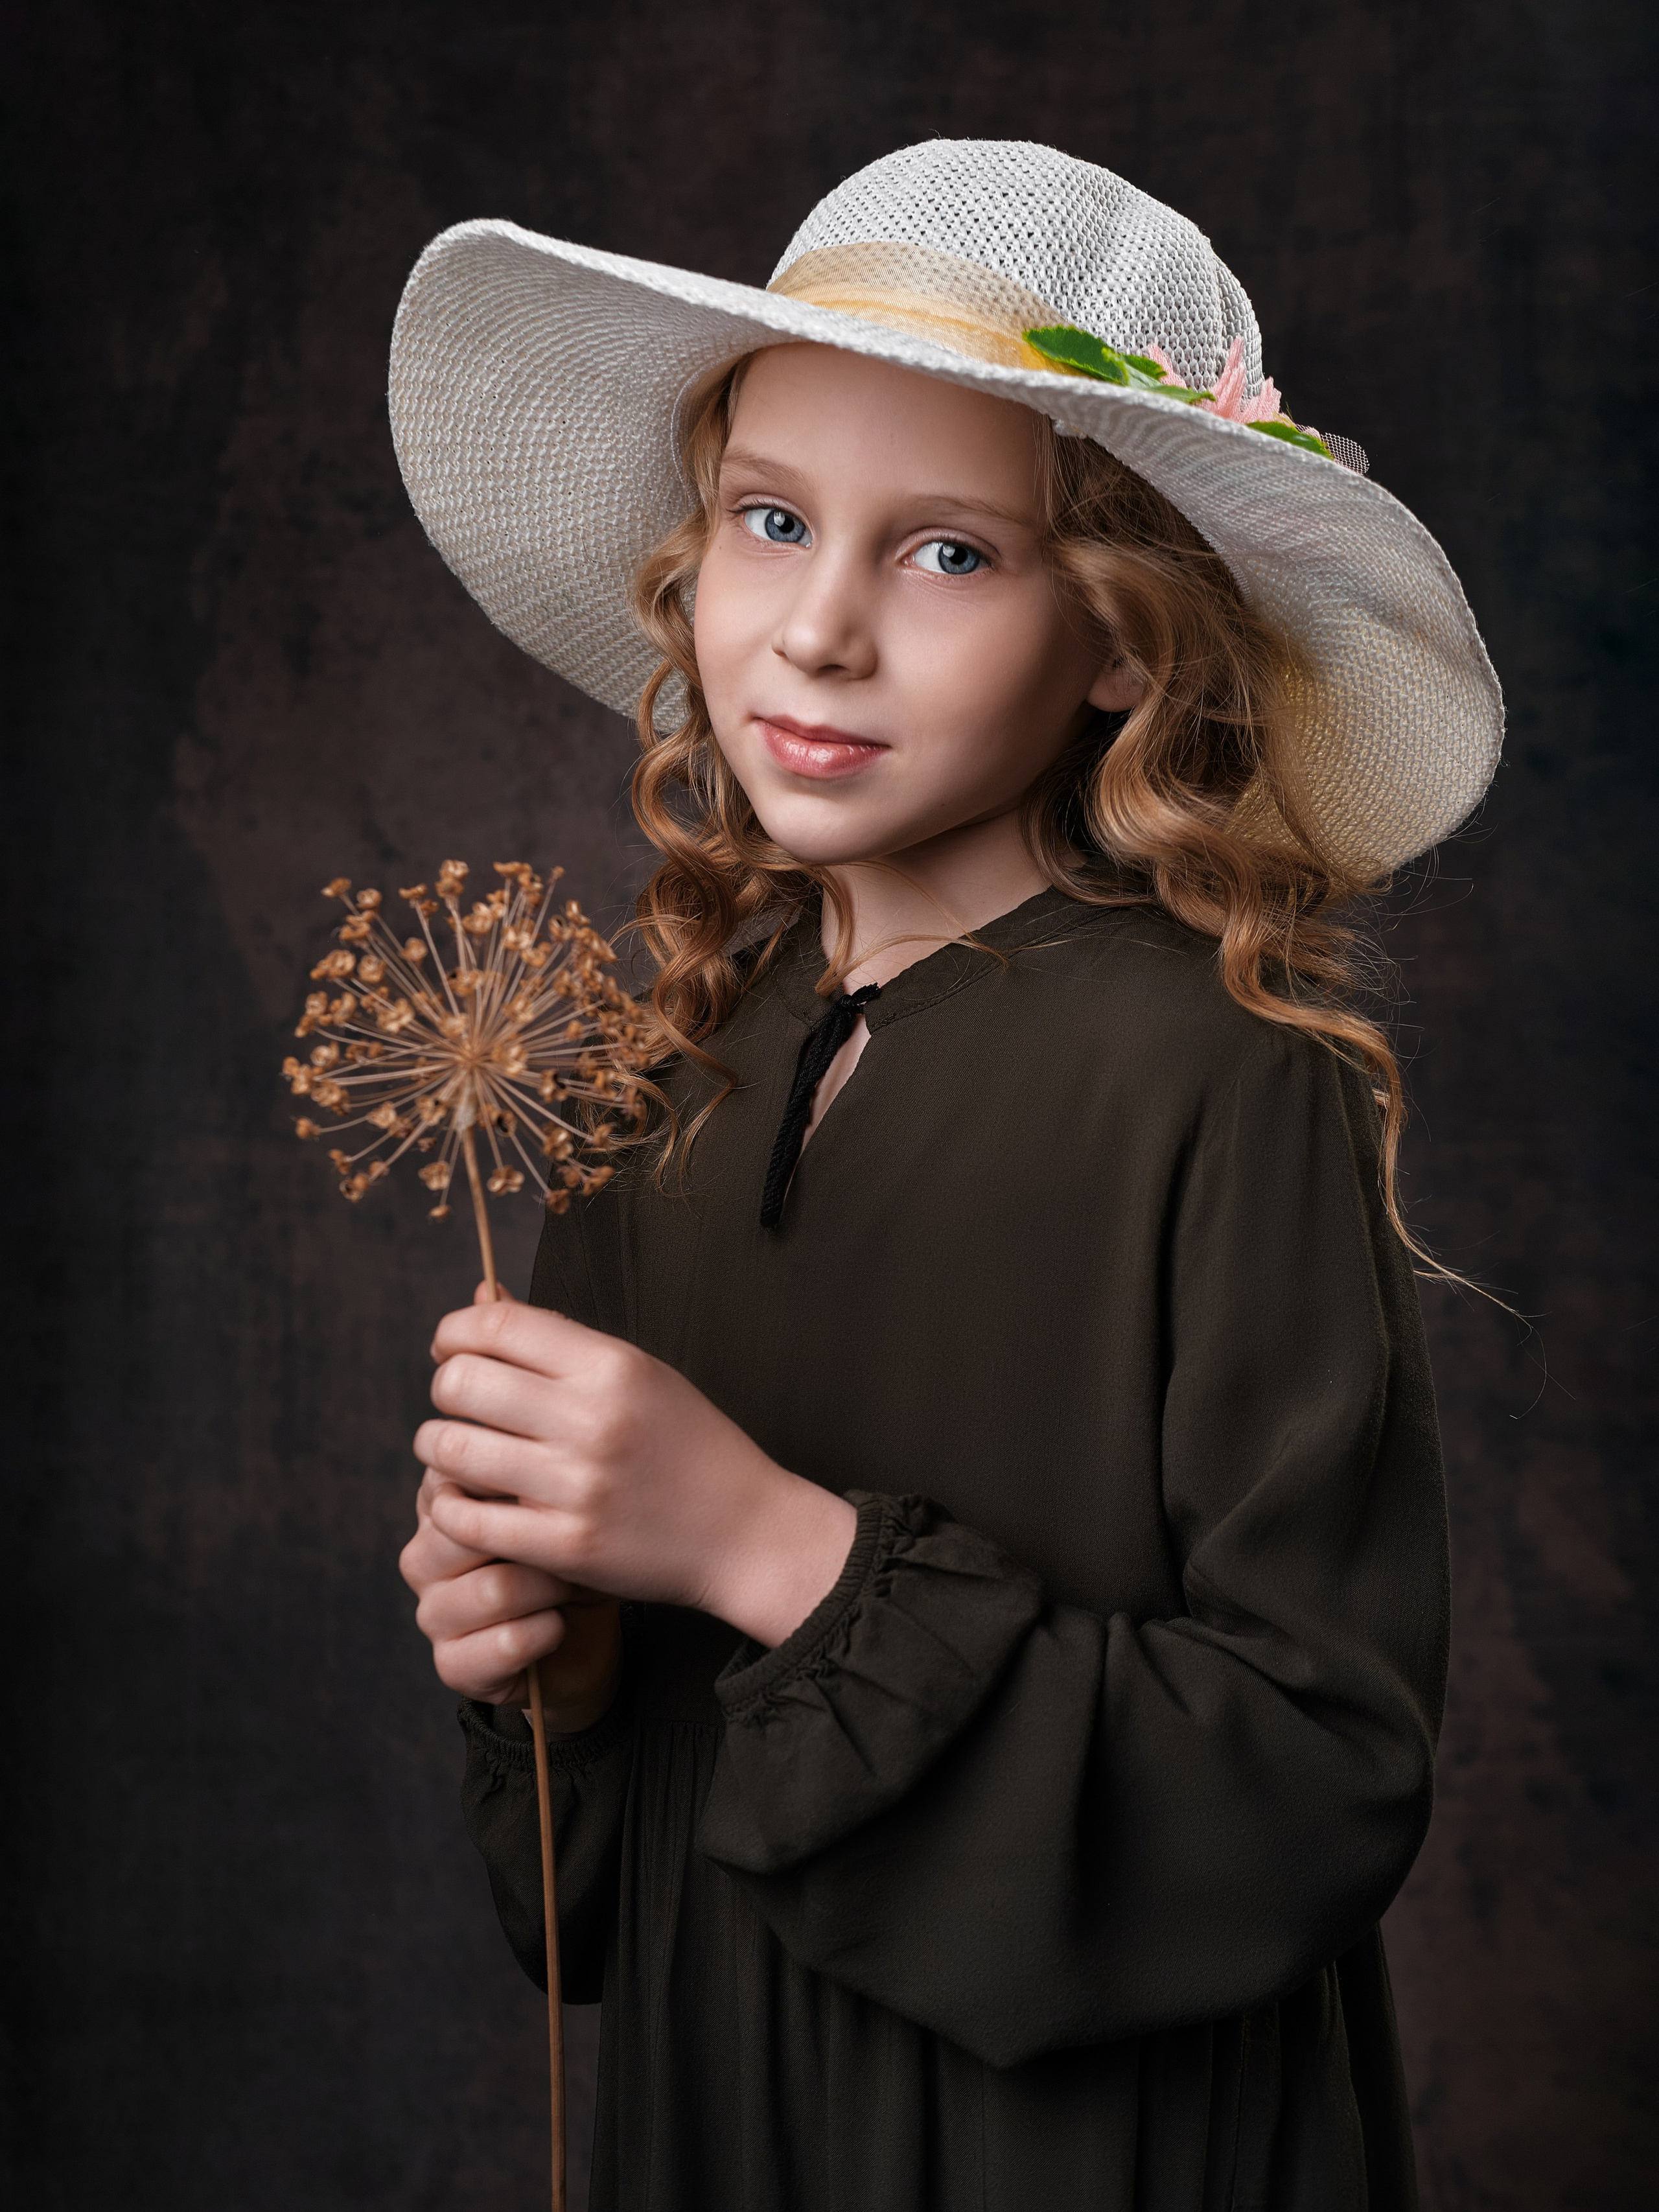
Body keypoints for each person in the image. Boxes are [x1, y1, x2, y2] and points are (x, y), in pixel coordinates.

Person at [390, 141, 1502, 2211]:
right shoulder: (668, 1097)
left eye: (950, 557)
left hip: (1087, 2153)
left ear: (1123, 641)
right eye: (773, 520)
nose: (816, 631)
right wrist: (557, 1653)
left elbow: (1317, 1778)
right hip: (734, 2119)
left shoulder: (1219, 1076)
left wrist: (764, 1551)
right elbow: (596, 1911)